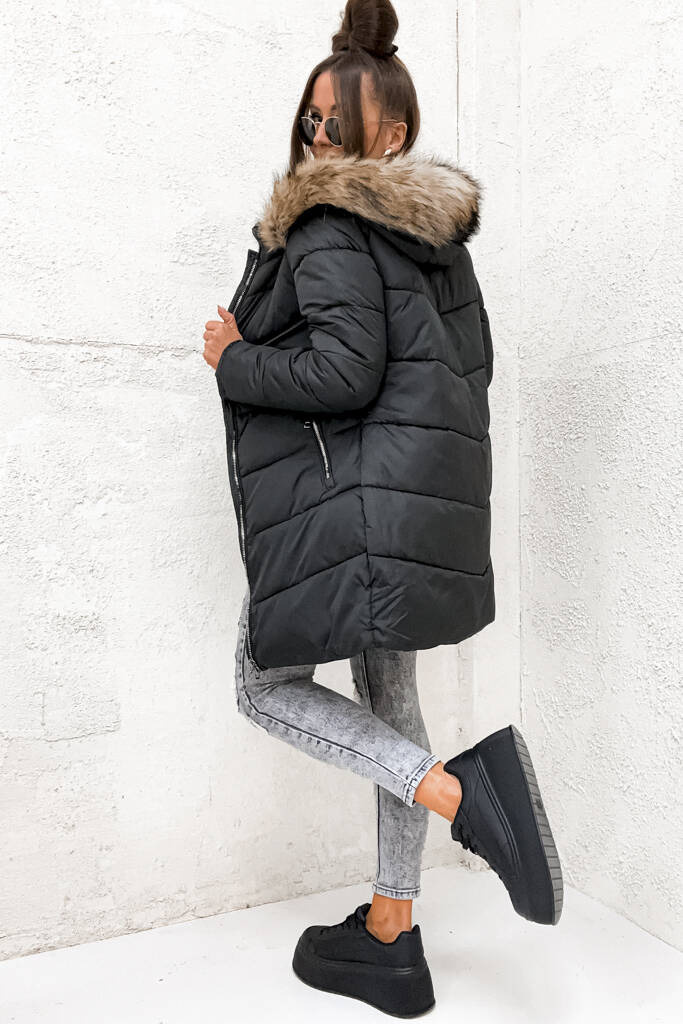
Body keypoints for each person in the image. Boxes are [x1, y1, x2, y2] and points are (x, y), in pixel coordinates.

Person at [202, 0, 563, 1016]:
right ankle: (392, 934)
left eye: (337, 117)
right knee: (387, 694)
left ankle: (457, 793)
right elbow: (468, 370)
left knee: (263, 686)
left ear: (391, 133)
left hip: (352, 506)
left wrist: (235, 358)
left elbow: (342, 372)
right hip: (412, 503)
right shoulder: (435, 239)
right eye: (309, 114)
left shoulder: (326, 219)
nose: (317, 132)